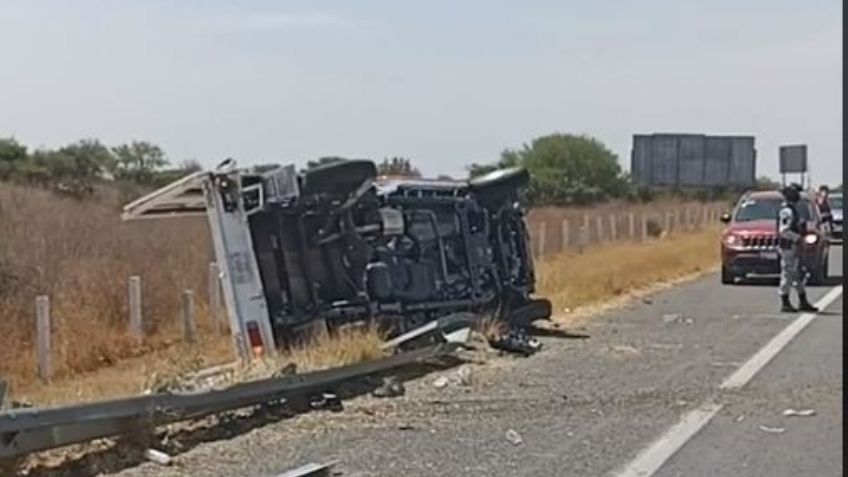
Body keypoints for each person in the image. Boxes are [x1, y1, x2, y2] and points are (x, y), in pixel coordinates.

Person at [777, 183, 818, 312]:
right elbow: (784, 231)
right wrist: (798, 238)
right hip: (788, 247)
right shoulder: (786, 211)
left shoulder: (793, 209)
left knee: (797, 275)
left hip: (794, 247)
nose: (798, 195)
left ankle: (803, 300)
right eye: (795, 193)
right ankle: (785, 301)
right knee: (788, 273)